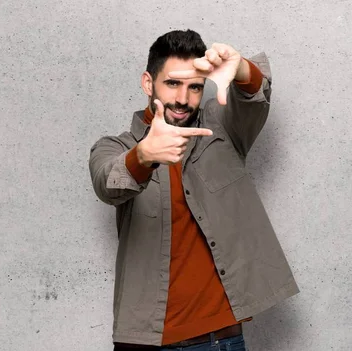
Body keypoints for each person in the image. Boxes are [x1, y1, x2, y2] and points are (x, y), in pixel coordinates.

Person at [88, 29, 299, 350]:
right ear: (148, 83)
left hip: (221, 341)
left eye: (195, 87)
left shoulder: (222, 126)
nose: (183, 99)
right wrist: (144, 155)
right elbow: (108, 182)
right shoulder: (117, 146)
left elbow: (253, 96)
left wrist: (240, 66)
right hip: (148, 342)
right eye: (172, 83)